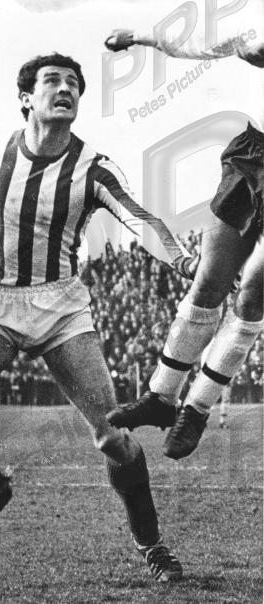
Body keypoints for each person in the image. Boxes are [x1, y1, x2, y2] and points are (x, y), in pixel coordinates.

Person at [0, 53, 193, 582]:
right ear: (27, 98)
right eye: (52, 80)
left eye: (73, 83)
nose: (65, 88)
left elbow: (139, 219)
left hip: (61, 307)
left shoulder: (93, 167)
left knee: (112, 434)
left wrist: (181, 259)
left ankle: (152, 545)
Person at [104, 3, 263, 459]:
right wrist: (141, 37)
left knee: (252, 295)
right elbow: (205, 43)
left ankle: (196, 409)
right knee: (209, 280)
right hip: (255, 152)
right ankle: (161, 396)